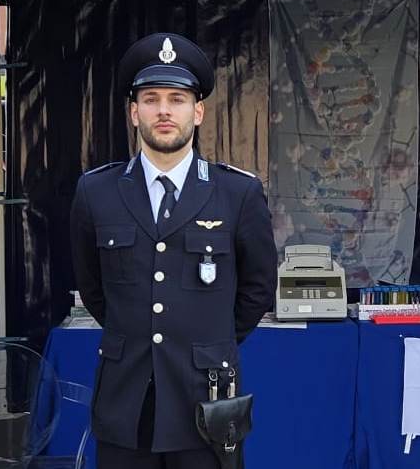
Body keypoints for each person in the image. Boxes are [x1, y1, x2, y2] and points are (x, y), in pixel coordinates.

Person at [70, 32, 276, 469]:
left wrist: (208, 339)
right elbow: (93, 287)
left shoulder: (237, 192)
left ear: (198, 111)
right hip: (126, 401)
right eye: (150, 98)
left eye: (177, 99)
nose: (164, 110)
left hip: (207, 397)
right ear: (133, 111)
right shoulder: (96, 192)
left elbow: (257, 289)